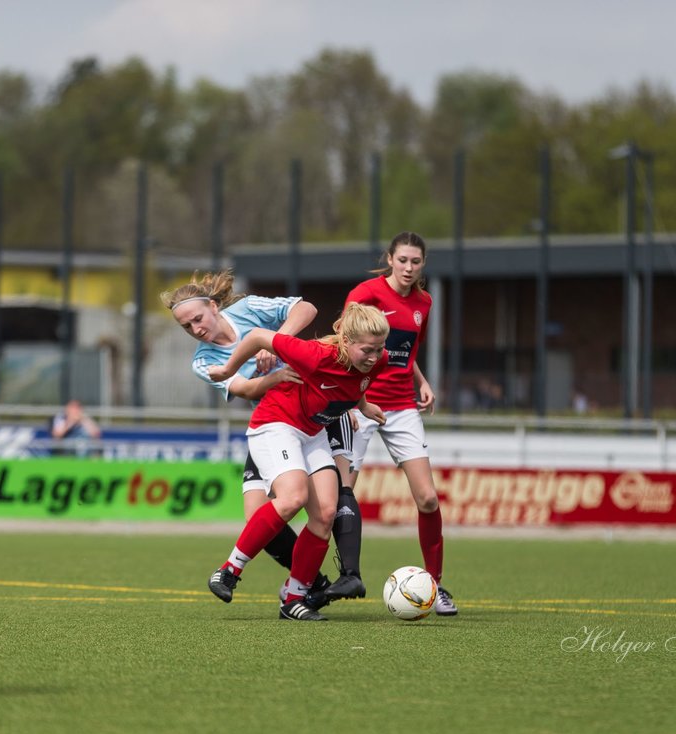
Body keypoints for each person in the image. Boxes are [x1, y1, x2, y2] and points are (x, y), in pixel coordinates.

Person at [207, 303, 389, 621]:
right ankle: (229, 570)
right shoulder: (315, 354)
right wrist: (226, 371)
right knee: (292, 498)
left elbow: (356, 381)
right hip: (276, 423)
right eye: (367, 350)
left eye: (379, 348)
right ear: (346, 341)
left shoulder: (377, 359)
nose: (374, 357)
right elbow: (257, 336)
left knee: (326, 513)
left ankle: (294, 598)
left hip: (311, 432)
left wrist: (363, 404)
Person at [161, 272, 330, 603]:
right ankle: (314, 581)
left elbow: (307, 309)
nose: (196, 330)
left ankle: (343, 575)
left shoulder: (250, 309)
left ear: (213, 306)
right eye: (187, 327)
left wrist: (277, 339)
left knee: (325, 508)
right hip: (273, 421)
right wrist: (275, 375)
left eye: (197, 319)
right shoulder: (203, 360)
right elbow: (245, 389)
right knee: (260, 519)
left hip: (315, 410)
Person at [325, 232, 457, 616]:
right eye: (403, 261)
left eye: (416, 262)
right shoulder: (365, 292)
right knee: (339, 497)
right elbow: (341, 342)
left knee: (428, 498)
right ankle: (339, 576)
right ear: (390, 259)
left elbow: (404, 351)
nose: (409, 268)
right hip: (358, 404)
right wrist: (349, 399)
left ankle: (434, 584)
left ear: (423, 264)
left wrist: (421, 381)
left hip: (401, 406)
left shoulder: (424, 302)